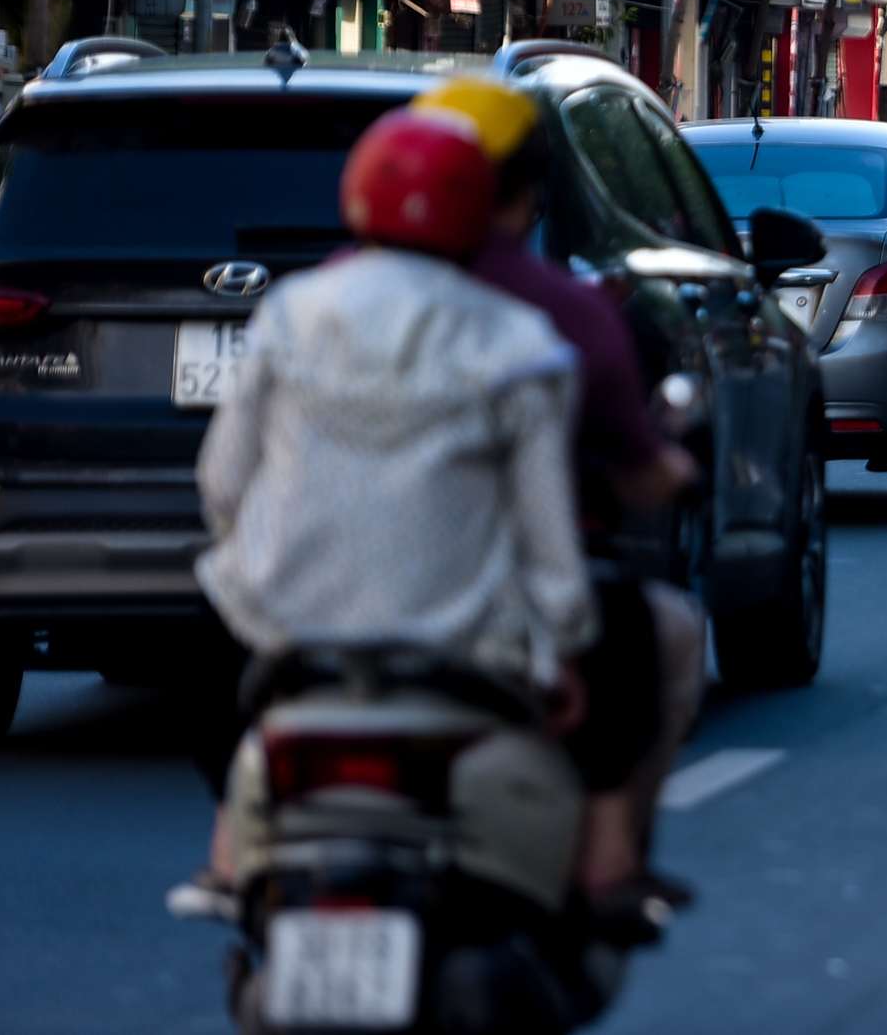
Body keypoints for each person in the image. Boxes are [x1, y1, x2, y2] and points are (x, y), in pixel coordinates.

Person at [192, 111, 590, 887]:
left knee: (211, 611)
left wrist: (256, 556)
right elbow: (549, 543)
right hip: (466, 647)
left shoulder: (288, 314)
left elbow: (222, 483)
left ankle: (225, 851)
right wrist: (562, 647)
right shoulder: (521, 343)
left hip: (285, 633)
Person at [417, 77, 703, 904]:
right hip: (498, 611)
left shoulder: (312, 305)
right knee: (659, 634)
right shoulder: (547, 323)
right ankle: (607, 851)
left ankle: (226, 850)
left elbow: (229, 481)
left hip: (316, 610)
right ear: (528, 188)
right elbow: (555, 515)